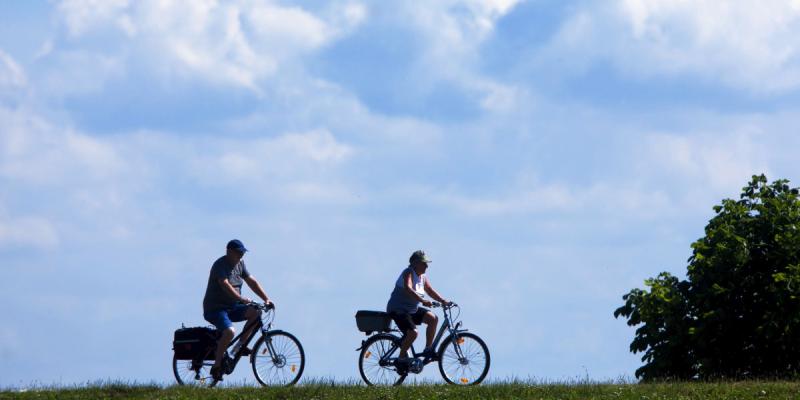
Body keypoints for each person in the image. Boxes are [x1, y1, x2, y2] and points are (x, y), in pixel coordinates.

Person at [202, 239, 272, 380]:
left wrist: (266, 299)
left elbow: (252, 281)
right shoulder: (220, 265)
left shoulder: (240, 264)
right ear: (229, 252)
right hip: (216, 308)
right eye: (238, 253)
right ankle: (216, 366)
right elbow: (224, 284)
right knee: (229, 331)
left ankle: (239, 346)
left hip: (232, 307)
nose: (241, 255)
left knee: (256, 312)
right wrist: (240, 298)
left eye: (243, 253)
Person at [386, 250, 450, 370]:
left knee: (433, 318)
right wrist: (423, 301)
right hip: (398, 309)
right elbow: (408, 288)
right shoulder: (408, 272)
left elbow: (430, 291)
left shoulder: (423, 277)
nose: (427, 266)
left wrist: (443, 301)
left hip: (411, 310)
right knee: (413, 333)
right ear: (415, 263)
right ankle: (401, 359)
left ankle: (428, 349)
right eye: (424, 263)